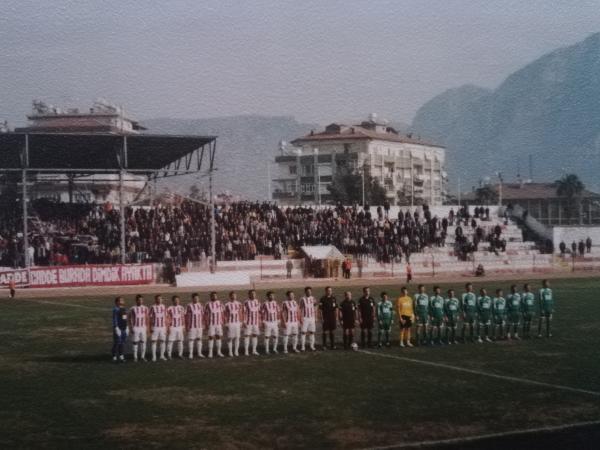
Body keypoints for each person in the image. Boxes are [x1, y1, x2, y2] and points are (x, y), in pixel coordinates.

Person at [204, 291, 225, 358]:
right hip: (211, 324)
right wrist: (206, 323)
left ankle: (219, 352)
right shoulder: (208, 304)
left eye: (215, 296)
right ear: (210, 297)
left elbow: (222, 313)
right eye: (213, 296)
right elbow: (205, 315)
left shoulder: (220, 303)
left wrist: (223, 322)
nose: (214, 297)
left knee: (218, 337)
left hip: (218, 323)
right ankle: (210, 353)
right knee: (211, 337)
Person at [128, 294, 148, 362]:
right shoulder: (132, 308)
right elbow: (129, 318)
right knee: (135, 342)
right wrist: (130, 327)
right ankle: (135, 357)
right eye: (139, 300)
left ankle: (142, 357)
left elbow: (147, 318)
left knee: (143, 342)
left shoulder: (145, 308)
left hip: (143, 327)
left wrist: (147, 327)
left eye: (142, 300)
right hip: (135, 327)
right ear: (136, 301)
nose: (141, 301)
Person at [185, 293, 204, 359]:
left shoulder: (200, 305)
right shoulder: (189, 306)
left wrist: (203, 324)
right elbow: (186, 316)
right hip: (191, 326)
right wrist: (187, 326)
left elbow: (202, 315)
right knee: (191, 340)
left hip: (199, 326)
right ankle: (190, 354)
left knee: (199, 339)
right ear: (192, 299)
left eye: (197, 298)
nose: (196, 299)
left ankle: (199, 353)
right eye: (195, 298)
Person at [166, 295, 185, 359]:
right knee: (170, 341)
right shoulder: (169, 308)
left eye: (178, 300)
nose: (177, 301)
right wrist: (168, 328)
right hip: (172, 327)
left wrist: (183, 326)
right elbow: (167, 319)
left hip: (180, 327)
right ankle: (169, 355)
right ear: (173, 301)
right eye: (175, 300)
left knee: (180, 341)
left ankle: (180, 354)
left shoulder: (181, 308)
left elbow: (183, 318)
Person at [243, 289, 261, 356]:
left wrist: (260, 320)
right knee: (247, 336)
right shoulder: (246, 302)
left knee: (255, 335)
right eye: (252, 294)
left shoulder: (257, 301)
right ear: (249, 295)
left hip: (255, 322)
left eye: (254, 294)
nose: (253, 295)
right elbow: (243, 312)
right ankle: (246, 351)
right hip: (248, 322)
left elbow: (259, 312)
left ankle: (254, 350)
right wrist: (244, 321)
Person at [149, 294, 167, 362]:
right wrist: (150, 327)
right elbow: (150, 318)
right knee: (154, 342)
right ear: (155, 300)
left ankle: (162, 356)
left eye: (160, 299)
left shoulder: (164, 306)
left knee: (163, 341)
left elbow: (166, 317)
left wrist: (166, 327)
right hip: (155, 327)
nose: (159, 300)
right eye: (158, 299)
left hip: (162, 327)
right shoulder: (152, 307)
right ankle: (154, 356)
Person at [224, 291, 242, 357]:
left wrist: (241, 322)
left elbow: (241, 313)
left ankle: (236, 351)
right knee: (230, 338)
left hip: (237, 323)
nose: (234, 297)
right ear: (230, 296)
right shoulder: (227, 304)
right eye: (232, 295)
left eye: (235, 295)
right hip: (230, 323)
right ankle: (230, 352)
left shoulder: (239, 304)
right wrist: (226, 323)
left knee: (237, 337)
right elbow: (225, 315)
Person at [299, 287, 317, 352]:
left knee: (312, 332)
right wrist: (300, 318)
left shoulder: (313, 298)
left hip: (312, 318)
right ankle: (303, 347)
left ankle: (312, 346)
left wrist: (316, 317)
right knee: (303, 332)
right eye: (308, 291)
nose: (309, 292)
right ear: (305, 292)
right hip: (305, 318)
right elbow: (300, 309)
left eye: (310, 291)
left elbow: (315, 307)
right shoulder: (302, 299)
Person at [112, 296, 128, 363]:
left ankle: (121, 355)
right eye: (120, 300)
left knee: (122, 342)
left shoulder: (124, 309)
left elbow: (125, 319)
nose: (122, 301)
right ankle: (114, 356)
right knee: (117, 342)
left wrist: (127, 327)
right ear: (117, 302)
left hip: (123, 328)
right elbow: (114, 319)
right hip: (118, 328)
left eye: (122, 300)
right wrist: (116, 327)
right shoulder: (116, 309)